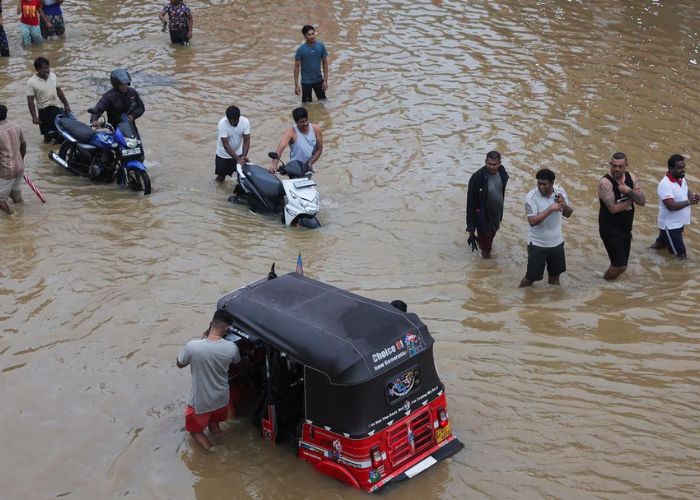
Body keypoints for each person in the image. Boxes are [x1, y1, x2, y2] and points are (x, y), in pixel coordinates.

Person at [177, 309, 241, 451]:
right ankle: (223, 444)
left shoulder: (193, 346)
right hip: (221, 398)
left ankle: (212, 452)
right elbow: (237, 362)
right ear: (226, 329)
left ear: (210, 324)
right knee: (214, 424)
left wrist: (201, 340)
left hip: (201, 400)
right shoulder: (232, 347)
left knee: (194, 430)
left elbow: (179, 363)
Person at [519, 168, 573, 287]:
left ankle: (554, 301)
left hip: (557, 243)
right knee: (530, 278)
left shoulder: (560, 191)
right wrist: (550, 209)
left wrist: (564, 204)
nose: (541, 187)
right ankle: (520, 299)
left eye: (544, 184)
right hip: (537, 245)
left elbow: (568, 214)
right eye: (539, 183)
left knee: (555, 278)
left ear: (552, 183)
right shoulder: (531, 197)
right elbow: (532, 221)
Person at [597, 152, 646, 280]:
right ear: (610, 164)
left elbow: (643, 201)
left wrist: (629, 191)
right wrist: (632, 199)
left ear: (626, 166)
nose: (617, 169)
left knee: (619, 263)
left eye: (620, 166)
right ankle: (605, 284)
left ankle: (611, 283)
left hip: (626, 228)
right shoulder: (605, 183)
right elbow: (613, 209)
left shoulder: (632, 177)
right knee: (621, 266)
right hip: (610, 229)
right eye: (614, 166)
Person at [650, 154, 700, 259]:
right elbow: (671, 206)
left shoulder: (681, 178)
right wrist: (689, 202)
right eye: (680, 168)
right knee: (681, 256)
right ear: (671, 168)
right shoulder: (665, 184)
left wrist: (694, 197)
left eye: (683, 167)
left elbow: (686, 190)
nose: (683, 170)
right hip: (671, 226)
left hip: (678, 223)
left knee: (661, 245)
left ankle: (644, 255)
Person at [465, 151, 509, 259]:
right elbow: (470, 203)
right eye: (489, 164)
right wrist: (471, 229)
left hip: (497, 216)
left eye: (495, 164)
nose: (492, 167)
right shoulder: (477, 177)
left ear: (500, 163)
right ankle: (486, 265)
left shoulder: (501, 172)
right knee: (486, 250)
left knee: (489, 239)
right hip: (483, 218)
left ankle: (483, 247)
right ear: (485, 162)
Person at [26, 56, 71, 143]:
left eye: (48, 67)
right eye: (45, 68)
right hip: (44, 111)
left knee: (61, 135)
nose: (48, 70)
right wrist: (34, 117)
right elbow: (30, 101)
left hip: (56, 108)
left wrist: (66, 104)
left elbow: (59, 91)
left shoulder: (53, 76)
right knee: (47, 138)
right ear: (38, 69)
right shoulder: (31, 82)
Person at [268, 107, 323, 173]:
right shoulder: (291, 131)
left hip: (309, 166)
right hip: (295, 168)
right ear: (296, 122)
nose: (305, 123)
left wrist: (310, 163)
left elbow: (319, 149)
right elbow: (281, 147)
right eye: (302, 122)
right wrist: (274, 164)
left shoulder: (316, 129)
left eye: (306, 120)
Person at [0, 104, 27, 215]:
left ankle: (14, 219)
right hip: (20, 167)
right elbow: (24, 145)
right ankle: (23, 214)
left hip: (6, 171)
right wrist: (20, 160)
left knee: (1, 201)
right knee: (15, 196)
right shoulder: (16, 126)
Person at [214, 105, 250, 182]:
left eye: (235, 121)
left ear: (239, 117)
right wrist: (238, 159)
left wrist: (243, 157)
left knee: (241, 176)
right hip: (223, 154)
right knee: (221, 177)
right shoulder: (222, 124)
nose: (234, 124)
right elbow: (226, 145)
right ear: (227, 118)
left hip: (238, 152)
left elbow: (246, 141)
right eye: (231, 122)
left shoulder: (245, 122)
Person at [294, 25, 328, 103]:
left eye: (313, 34)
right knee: (306, 104)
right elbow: (296, 67)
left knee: (324, 102)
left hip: (319, 79)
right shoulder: (301, 50)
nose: (312, 36)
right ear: (304, 36)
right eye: (309, 35)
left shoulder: (321, 46)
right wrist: (296, 85)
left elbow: (325, 63)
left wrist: (325, 80)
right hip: (306, 81)